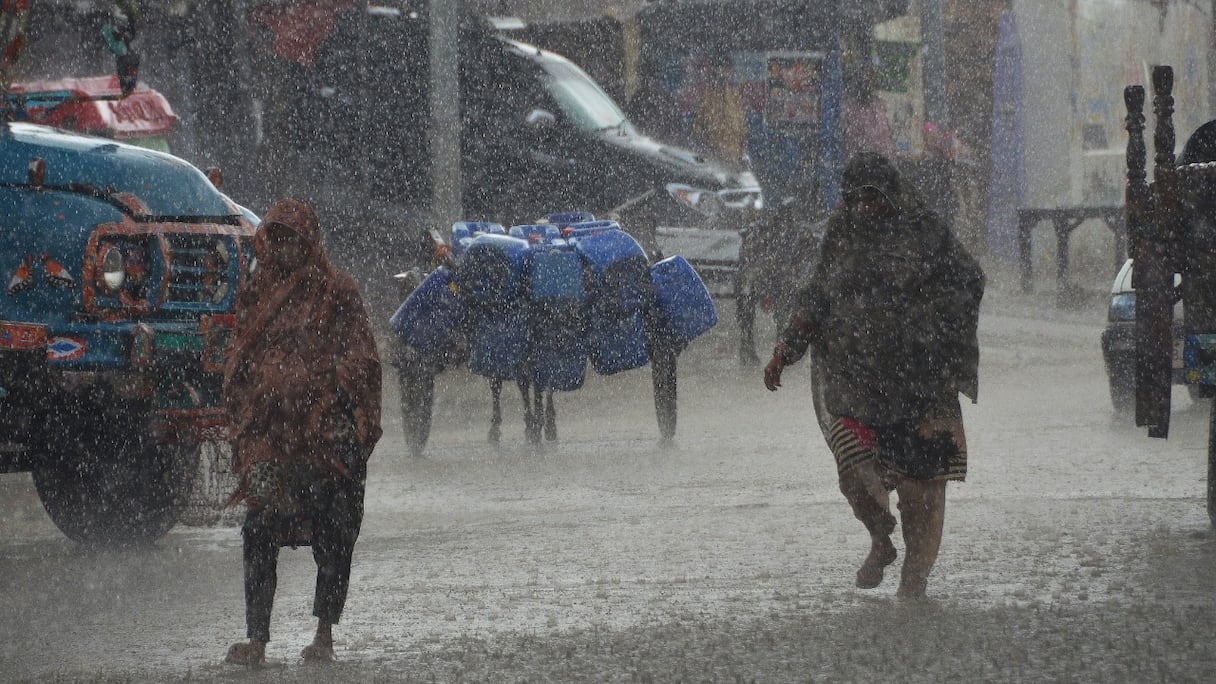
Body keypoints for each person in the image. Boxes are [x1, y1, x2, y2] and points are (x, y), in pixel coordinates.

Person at [763, 152, 984, 599]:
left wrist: (937, 330)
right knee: (855, 471)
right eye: (857, 198)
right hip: (857, 385)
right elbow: (818, 295)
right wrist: (787, 347)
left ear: (892, 195)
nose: (865, 207)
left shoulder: (926, 232)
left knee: (922, 490)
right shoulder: (841, 234)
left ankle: (915, 581)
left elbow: (968, 280)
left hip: (922, 385)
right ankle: (881, 541)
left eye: (874, 197)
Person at [222, 198, 383, 665]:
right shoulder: (256, 293)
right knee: (258, 527)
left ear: (309, 241)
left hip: (326, 441)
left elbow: (365, 360)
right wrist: (267, 393)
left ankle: (324, 634)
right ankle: (257, 638)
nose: (286, 248)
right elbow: (240, 360)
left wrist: (321, 384)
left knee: (335, 530)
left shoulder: (338, 292)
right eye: (278, 239)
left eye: (294, 239)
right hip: (273, 440)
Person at [689, 51, 748, 167]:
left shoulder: (735, 98)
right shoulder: (706, 97)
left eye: (726, 69)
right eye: (720, 69)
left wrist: (742, 155)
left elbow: (743, 131)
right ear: (714, 70)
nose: (724, 73)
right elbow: (697, 131)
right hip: (714, 167)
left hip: (733, 164)